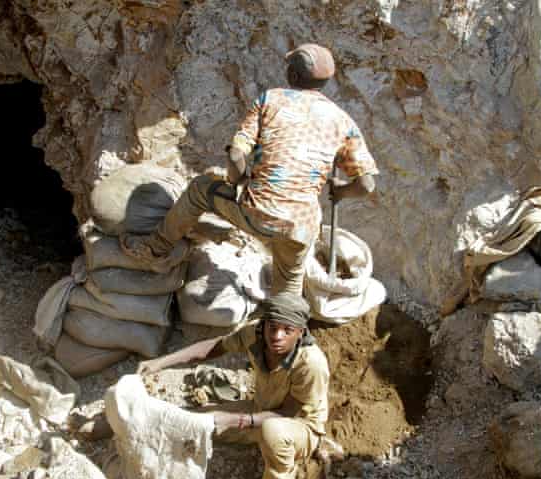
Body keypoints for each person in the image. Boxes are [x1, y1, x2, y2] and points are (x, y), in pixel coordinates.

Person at [120, 43, 379, 296]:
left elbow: (235, 155)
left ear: (293, 75)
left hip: (259, 213)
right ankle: (287, 326)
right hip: (301, 227)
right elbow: (366, 185)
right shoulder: (343, 121)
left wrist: (238, 180)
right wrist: (342, 191)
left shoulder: (271, 99)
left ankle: (155, 249)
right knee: (288, 286)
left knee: (200, 189)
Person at [135, 293, 329, 479]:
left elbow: (289, 412)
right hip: (260, 409)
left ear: (301, 332)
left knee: (272, 431)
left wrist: (239, 420)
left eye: (287, 330)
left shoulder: (311, 363)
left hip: (299, 426)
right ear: (264, 324)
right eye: (272, 327)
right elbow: (217, 346)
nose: (277, 336)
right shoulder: (255, 334)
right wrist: (162, 362)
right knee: (195, 422)